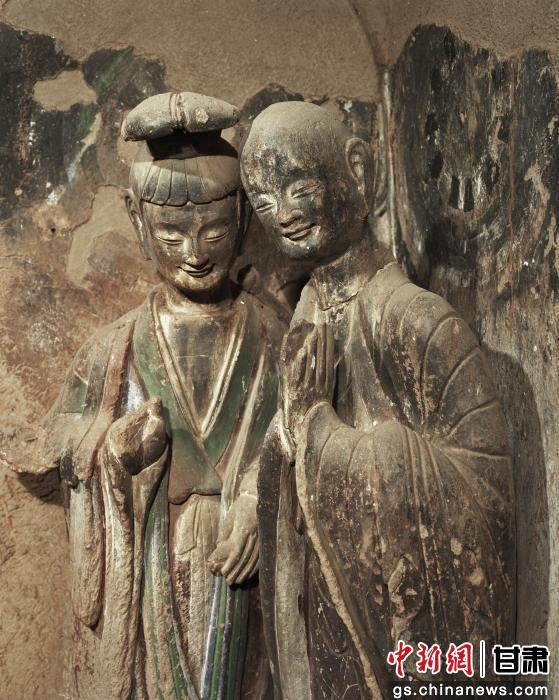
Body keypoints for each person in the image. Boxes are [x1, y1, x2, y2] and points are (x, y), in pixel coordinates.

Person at [10, 91, 282, 699]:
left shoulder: (276, 337)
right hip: (153, 567)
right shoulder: (113, 351)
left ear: (242, 219)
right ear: (139, 221)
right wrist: (112, 451)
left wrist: (259, 500)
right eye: (172, 235)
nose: (196, 254)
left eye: (215, 231)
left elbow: (303, 435)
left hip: (248, 572)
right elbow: (58, 443)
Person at [240, 101, 515, 698]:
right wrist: (285, 444)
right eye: (262, 201)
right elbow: (289, 465)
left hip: (405, 631)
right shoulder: (306, 319)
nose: (282, 215)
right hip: (329, 604)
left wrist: (318, 432)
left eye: (299, 187)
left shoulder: (418, 320)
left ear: (358, 173)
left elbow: (483, 505)